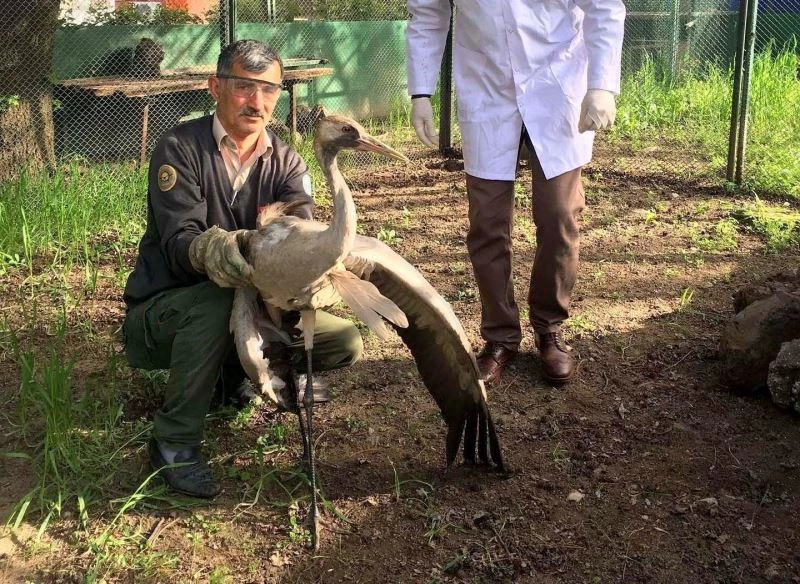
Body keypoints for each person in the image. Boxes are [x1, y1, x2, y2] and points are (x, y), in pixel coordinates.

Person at [122, 40, 363, 498]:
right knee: (217, 299)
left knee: (341, 339)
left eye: (269, 90)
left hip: (249, 311)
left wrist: (312, 279)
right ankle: (173, 443)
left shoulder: (287, 160)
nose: (258, 103)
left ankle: (231, 381)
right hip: (162, 317)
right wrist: (219, 251)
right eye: (244, 88)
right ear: (216, 87)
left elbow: (303, 230)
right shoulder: (179, 148)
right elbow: (179, 245)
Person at [406, 0, 625, 386]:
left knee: (559, 216)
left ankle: (550, 329)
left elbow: (604, 7)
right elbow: (428, 12)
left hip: (557, 85)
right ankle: (499, 337)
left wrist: (602, 85)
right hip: (487, 87)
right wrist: (420, 91)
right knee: (487, 224)